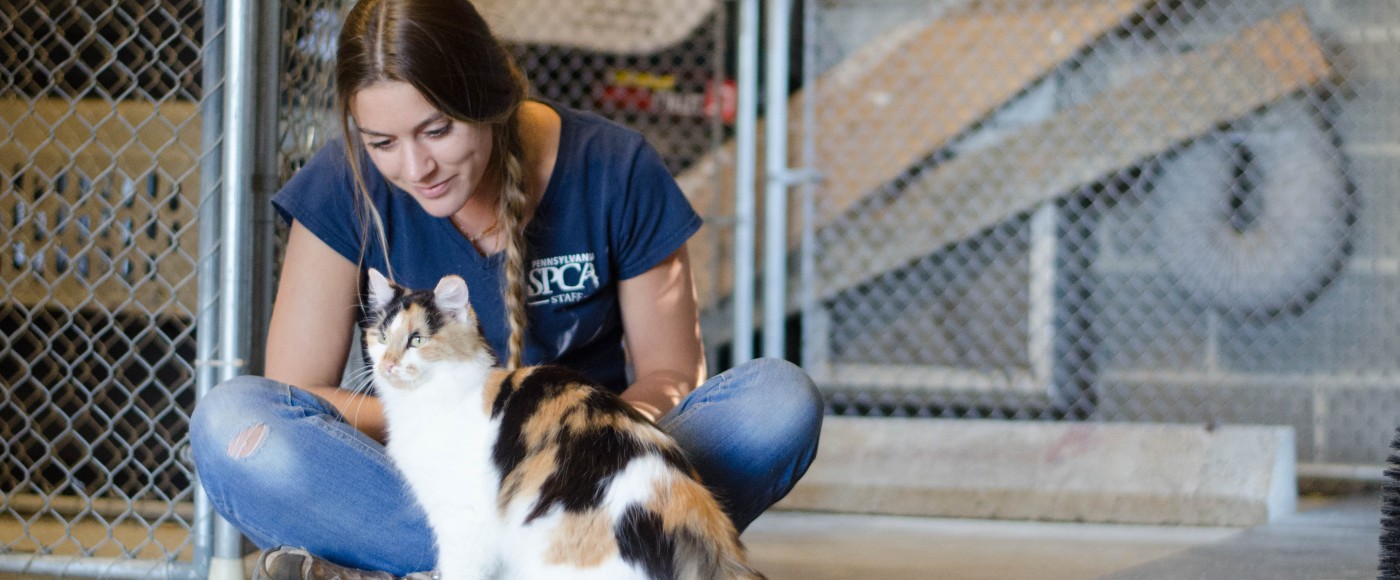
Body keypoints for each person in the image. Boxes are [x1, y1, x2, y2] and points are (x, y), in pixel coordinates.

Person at [187, 0, 823, 577]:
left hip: (583, 473)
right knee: (233, 421)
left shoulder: (615, 168)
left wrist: (560, 439)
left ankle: (408, 565)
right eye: (383, 142)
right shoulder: (341, 182)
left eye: (437, 130)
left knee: (775, 402)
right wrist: (466, 425)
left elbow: (671, 376)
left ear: (489, 99)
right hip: (420, 478)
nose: (415, 168)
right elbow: (298, 394)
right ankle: (505, 559)